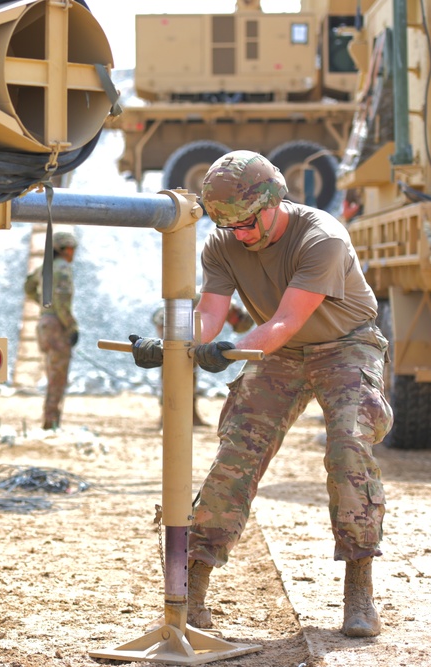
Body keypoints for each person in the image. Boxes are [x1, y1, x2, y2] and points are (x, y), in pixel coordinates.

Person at [131, 150, 392, 638]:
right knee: (235, 456)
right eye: (230, 226)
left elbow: (285, 322)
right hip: (278, 352)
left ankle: (360, 592)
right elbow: (209, 315)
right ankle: (195, 591)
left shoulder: (322, 238)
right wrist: (174, 344)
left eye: (249, 223)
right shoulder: (224, 242)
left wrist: (228, 351)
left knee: (348, 449)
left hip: (345, 346)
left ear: (276, 201)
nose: (241, 235)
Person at [151, 298, 253, 428]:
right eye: (234, 323)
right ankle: (167, 417)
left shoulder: (224, 304)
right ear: (237, 315)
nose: (230, 323)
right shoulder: (225, 304)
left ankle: (189, 416)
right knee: (172, 374)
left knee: (187, 374)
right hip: (173, 323)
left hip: (178, 324)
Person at [25, 230, 79, 430]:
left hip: (44, 324)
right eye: (71, 250)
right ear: (63, 250)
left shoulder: (44, 268)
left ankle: (50, 420)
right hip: (57, 324)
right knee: (58, 377)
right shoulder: (62, 269)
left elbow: (28, 286)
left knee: (52, 372)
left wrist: (43, 305)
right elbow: (62, 300)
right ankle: (51, 422)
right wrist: (71, 326)